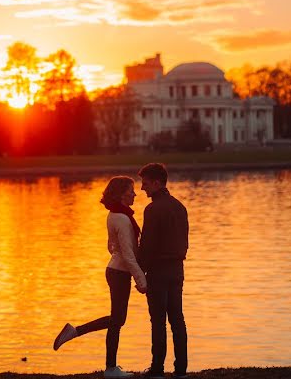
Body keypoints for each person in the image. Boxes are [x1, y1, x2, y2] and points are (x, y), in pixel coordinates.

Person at [53, 176, 148, 378]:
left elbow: (111, 247)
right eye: (131, 190)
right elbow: (129, 255)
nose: (135, 194)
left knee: (117, 319)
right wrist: (142, 280)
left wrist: (122, 260)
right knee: (117, 321)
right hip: (119, 273)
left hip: (116, 270)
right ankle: (110, 368)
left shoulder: (115, 215)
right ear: (121, 194)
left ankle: (77, 334)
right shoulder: (122, 218)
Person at [137, 162, 189, 379]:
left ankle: (157, 368)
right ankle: (181, 369)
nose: (142, 188)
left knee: (158, 321)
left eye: (145, 183)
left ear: (157, 183)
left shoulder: (152, 210)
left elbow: (147, 246)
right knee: (177, 318)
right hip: (177, 269)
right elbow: (185, 242)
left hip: (158, 271)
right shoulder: (180, 206)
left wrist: (140, 271)